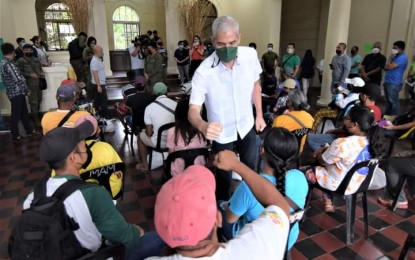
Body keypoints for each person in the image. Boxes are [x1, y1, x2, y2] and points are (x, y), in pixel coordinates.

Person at [24, 120, 164, 259]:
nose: (85, 143)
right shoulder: (92, 193)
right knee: (157, 239)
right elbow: (125, 236)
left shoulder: (34, 194)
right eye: (81, 142)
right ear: (74, 157)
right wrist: (136, 231)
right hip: (95, 255)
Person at [150, 149, 290, 259]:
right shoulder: (257, 248)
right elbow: (280, 206)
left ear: (162, 231)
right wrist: (236, 165)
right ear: (218, 218)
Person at [188, 16, 266, 200]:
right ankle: (223, 206)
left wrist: (259, 115)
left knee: (251, 168)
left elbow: (256, 86)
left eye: (232, 42)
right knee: (223, 174)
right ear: (213, 41)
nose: (228, 48)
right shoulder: (204, 72)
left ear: (239, 38)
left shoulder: (250, 56)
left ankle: (251, 202)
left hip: (246, 125)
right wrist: (203, 126)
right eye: (221, 44)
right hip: (221, 131)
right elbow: (193, 111)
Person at [220, 128, 307, 251]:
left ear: (262, 150)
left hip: (256, 247)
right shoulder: (300, 177)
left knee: (219, 206)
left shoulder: (247, 188)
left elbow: (230, 219)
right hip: (286, 241)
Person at [302, 106, 387, 212]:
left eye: (346, 118)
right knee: (324, 165)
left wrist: (319, 152)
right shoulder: (376, 142)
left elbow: (322, 161)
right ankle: (328, 201)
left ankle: (298, 208)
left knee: (301, 172)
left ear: (354, 124)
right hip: (359, 184)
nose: (344, 120)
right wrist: (327, 149)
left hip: (340, 185)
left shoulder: (343, 143)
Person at [136, 82, 177, 171]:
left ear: (153, 94)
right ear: (167, 91)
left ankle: (145, 165)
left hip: (159, 143)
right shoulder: (175, 104)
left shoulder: (149, 108)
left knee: (140, 136)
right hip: (174, 140)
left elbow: (149, 133)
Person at [0, 42, 34, 142]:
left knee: (23, 112)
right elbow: (18, 79)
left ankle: (29, 131)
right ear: (12, 52)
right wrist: (26, 90)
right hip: (17, 92)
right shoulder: (9, 64)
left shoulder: (2, 63)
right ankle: (16, 136)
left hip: (11, 92)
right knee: (16, 115)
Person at [166, 97, 207, 177]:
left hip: (178, 174)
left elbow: (171, 155)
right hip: (200, 172)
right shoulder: (202, 130)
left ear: (177, 113)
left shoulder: (171, 131)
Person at [15, 43, 45, 130]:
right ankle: (36, 121)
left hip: (39, 84)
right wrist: (29, 75)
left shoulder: (36, 59)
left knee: (39, 101)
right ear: (23, 51)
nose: (29, 51)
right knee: (33, 103)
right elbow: (18, 73)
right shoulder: (21, 60)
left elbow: (40, 69)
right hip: (30, 85)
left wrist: (42, 74)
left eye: (30, 50)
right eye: (26, 50)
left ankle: (36, 116)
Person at [384, 40, 408, 115]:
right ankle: (387, 117)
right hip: (388, 81)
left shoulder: (402, 57)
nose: (393, 49)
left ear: (401, 49)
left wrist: (389, 59)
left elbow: (389, 67)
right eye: (393, 47)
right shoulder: (395, 57)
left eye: (395, 48)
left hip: (394, 82)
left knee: (394, 102)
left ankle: (394, 118)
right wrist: (390, 60)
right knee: (388, 101)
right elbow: (385, 68)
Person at [90, 45, 108, 118]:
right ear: (97, 52)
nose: (103, 53)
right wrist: (98, 85)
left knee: (98, 101)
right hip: (98, 84)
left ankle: (99, 117)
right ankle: (104, 117)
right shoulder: (94, 61)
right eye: (101, 51)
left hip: (100, 83)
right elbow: (95, 73)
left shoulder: (97, 59)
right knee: (102, 102)